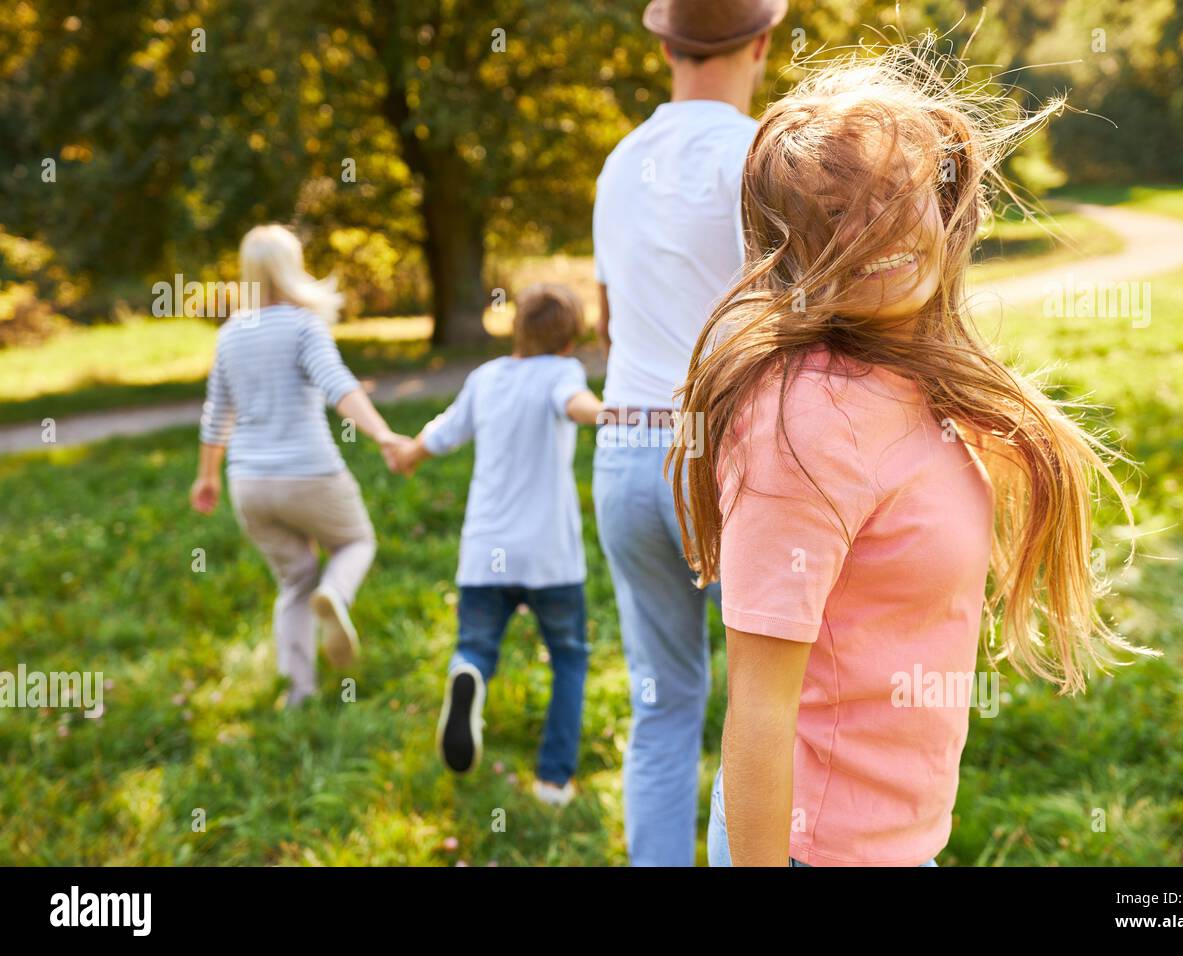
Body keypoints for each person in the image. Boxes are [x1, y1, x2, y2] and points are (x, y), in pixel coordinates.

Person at [668, 48, 1159, 866]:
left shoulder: (903, 371)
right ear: (793, 245)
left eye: (899, 194)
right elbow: (758, 709)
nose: (883, 232)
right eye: (835, 212)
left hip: (896, 841)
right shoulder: (805, 420)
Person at [591, 0, 786, 867]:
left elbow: (608, 323)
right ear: (763, 40)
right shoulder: (760, 158)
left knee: (662, 707)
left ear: (664, 41)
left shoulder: (618, 162)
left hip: (623, 453)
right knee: (761, 710)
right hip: (725, 454)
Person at [390, 284, 605, 807]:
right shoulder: (562, 373)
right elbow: (573, 404)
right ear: (570, 340)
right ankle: (553, 781)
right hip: (549, 558)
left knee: (477, 645)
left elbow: (444, 432)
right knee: (569, 658)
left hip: (484, 552)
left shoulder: (484, 378)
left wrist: (411, 453)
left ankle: (468, 674)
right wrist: (607, 413)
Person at [191, 224, 405, 706]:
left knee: (293, 581)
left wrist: (206, 477)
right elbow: (337, 383)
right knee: (355, 541)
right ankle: (335, 594)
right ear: (294, 267)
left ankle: (298, 692)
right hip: (310, 473)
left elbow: (215, 413)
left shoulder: (230, 336)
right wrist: (382, 433)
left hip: (249, 483)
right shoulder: (304, 325)